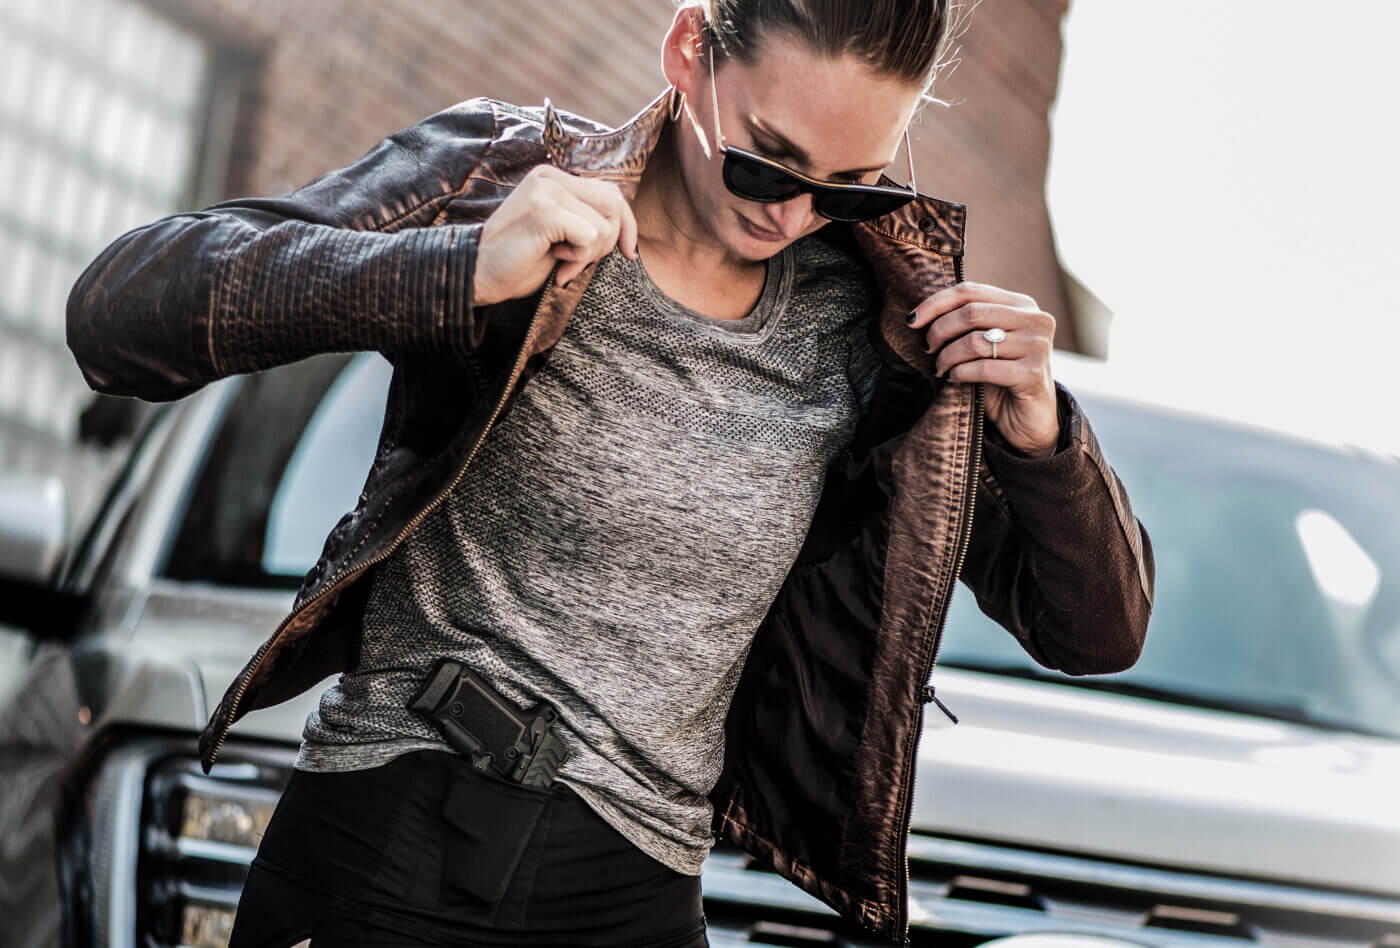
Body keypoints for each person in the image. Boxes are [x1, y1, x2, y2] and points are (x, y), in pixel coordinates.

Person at [65, 0, 1155, 945]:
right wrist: (453, 269)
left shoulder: (874, 340)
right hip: (389, 852)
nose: (790, 213)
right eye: (765, 160)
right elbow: (118, 317)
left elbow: (1094, 632)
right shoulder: (500, 176)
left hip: (638, 896)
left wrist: (1043, 438)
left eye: (850, 188)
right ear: (689, 51)